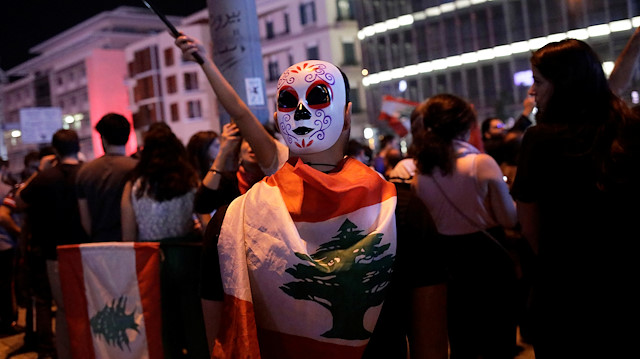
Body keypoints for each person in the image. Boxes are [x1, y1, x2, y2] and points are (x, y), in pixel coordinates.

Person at [176, 35, 447, 358]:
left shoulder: (230, 223)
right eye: (290, 101)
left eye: (317, 97)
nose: (302, 111)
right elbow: (430, 346)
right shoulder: (403, 212)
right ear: (348, 115)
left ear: (277, 122)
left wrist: (205, 61)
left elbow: (220, 341)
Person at [511, 38, 640, 358]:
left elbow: (529, 227)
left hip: (562, 292)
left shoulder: (539, 140)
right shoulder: (627, 129)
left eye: (538, 82)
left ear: (564, 84)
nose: (532, 92)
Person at [412, 93, 519, 359]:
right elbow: (509, 219)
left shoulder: (421, 175)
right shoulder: (480, 164)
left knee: (462, 341)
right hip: (489, 262)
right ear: (466, 126)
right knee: (498, 340)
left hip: (448, 266)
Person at [120, 125, 208, 359]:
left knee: (162, 325)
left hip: (152, 259)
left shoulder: (134, 184)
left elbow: (128, 234)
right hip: (187, 255)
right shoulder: (190, 177)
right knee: (194, 322)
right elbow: (205, 220)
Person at [14, 129, 87, 359]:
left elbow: (19, 200)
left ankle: (50, 351)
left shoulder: (45, 178)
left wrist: (40, 171)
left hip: (51, 251)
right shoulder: (86, 173)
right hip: (85, 249)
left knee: (51, 303)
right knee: (82, 304)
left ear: (55, 150)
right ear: (78, 146)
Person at [76, 113, 137, 242]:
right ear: (127, 137)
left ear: (103, 139)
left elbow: (85, 220)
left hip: (99, 243)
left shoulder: (85, 172)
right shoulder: (137, 168)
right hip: (132, 244)